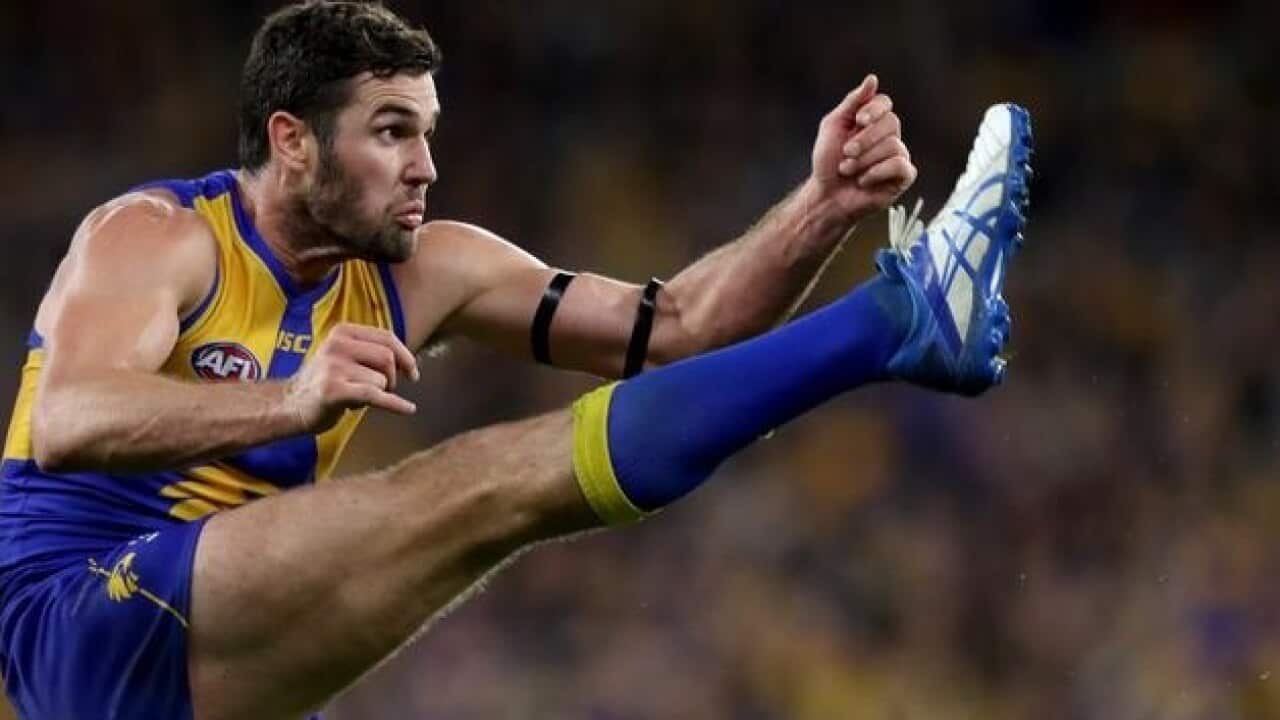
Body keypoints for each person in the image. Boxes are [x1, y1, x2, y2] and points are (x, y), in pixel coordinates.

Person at [0, 2, 1031, 719]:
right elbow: (70, 421)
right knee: (476, 488)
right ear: (293, 140)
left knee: (489, 502)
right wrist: (289, 400)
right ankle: (891, 322)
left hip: (223, 655)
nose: (426, 167)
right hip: (78, 615)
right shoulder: (156, 235)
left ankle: (896, 321)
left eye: (429, 132)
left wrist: (822, 208)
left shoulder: (430, 267)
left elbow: (673, 328)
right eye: (392, 131)